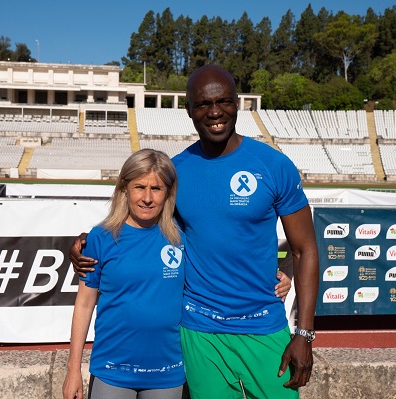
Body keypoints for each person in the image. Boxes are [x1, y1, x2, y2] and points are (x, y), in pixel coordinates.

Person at [71, 64, 319, 399]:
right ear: (189, 110)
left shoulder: (274, 166)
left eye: (225, 101)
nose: (215, 112)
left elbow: (304, 249)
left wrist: (303, 333)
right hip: (199, 332)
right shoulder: (176, 172)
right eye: (203, 104)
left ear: (238, 104)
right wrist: (86, 247)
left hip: (263, 327)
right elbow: (139, 226)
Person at [63, 149, 186, 399]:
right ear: (124, 188)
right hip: (112, 371)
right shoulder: (100, 238)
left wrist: (277, 277)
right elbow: (85, 304)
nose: (147, 198)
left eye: (157, 188)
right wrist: (73, 369)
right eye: (139, 187)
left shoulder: (183, 238)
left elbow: (222, 265)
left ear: (168, 193)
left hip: (167, 373)